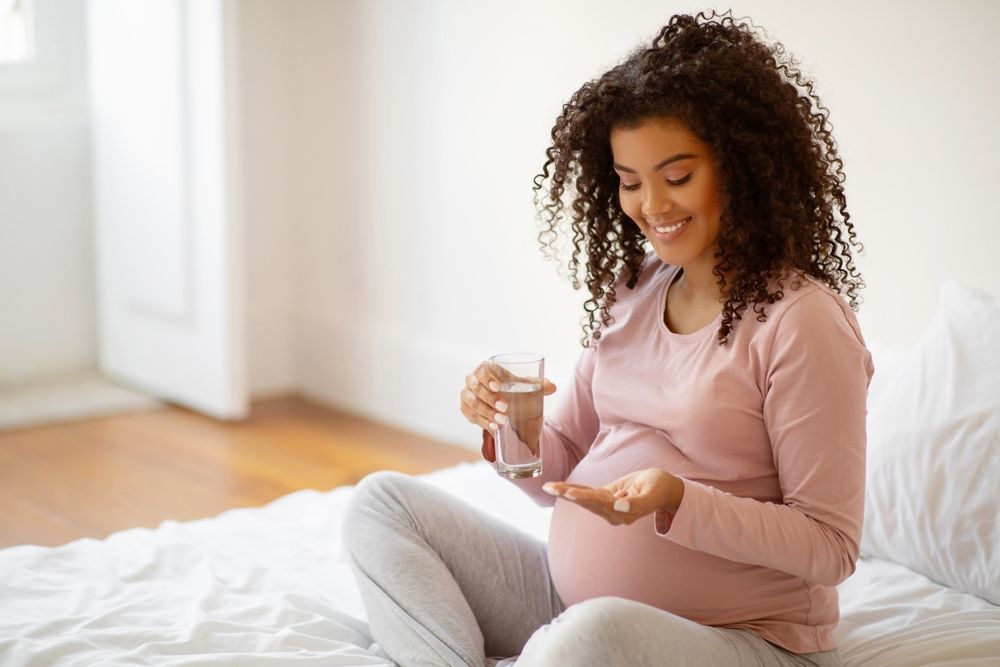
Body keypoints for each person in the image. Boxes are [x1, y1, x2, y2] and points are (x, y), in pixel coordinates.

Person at [343, 9, 873, 666]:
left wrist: (679, 499)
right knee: (382, 504)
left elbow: (830, 546)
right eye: (629, 181)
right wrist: (511, 422)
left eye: (677, 176)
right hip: (576, 605)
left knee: (585, 642)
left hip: (742, 637)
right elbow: (557, 473)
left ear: (743, 165)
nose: (652, 204)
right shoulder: (634, 289)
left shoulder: (803, 322)